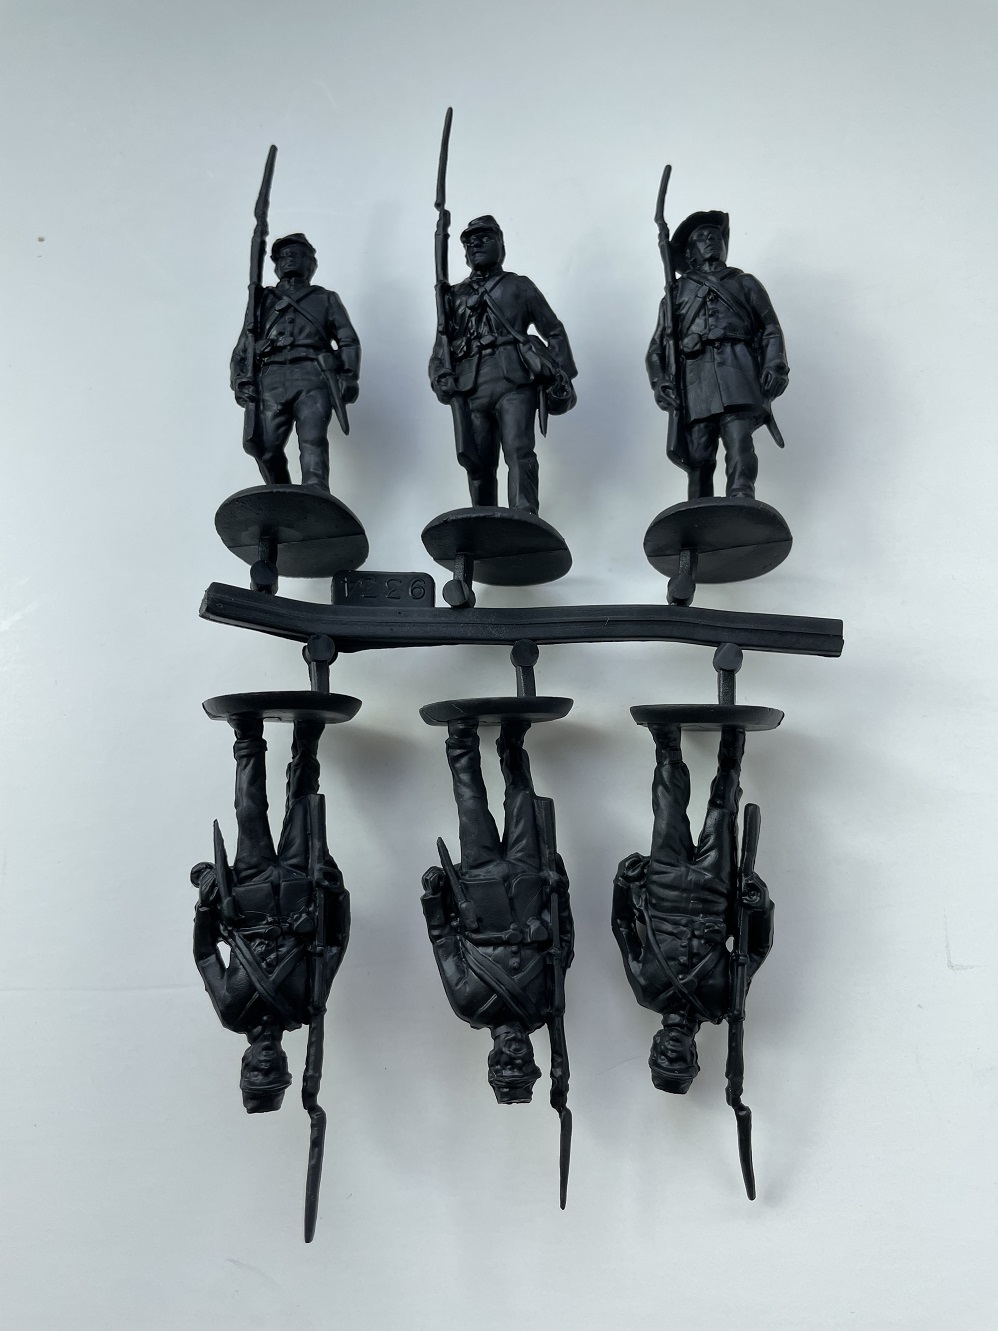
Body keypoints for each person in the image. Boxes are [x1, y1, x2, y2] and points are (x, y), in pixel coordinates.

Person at [192, 715, 349, 1112]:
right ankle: (306, 741)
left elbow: (206, 955)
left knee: (249, 811)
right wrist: (336, 892)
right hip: (299, 893)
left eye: (257, 1072)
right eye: (275, 1071)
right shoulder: (306, 1008)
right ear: (286, 1065)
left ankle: (247, 736)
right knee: (303, 806)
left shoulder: (232, 1011)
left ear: (244, 1065)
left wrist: (206, 906)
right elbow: (334, 944)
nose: (266, 1063)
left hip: (250, 897)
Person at [611, 725, 773, 1093]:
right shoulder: (722, 1002)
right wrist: (761, 905)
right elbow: (757, 949)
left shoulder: (646, 991)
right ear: (694, 1056)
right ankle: (732, 745)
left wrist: (622, 883)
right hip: (713, 893)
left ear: (653, 1049)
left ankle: (667, 744)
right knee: (722, 809)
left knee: (667, 809)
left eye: (662, 1059)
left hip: (664, 889)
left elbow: (622, 926)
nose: (671, 1053)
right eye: (679, 1061)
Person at [420, 717, 573, 1103]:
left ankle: (461, 740)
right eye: (522, 1066)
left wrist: (434, 899)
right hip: (528, 887)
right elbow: (564, 943)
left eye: (504, 1066)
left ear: (491, 1060)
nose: (513, 1059)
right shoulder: (547, 1006)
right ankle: (512, 743)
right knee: (522, 799)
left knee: (471, 805)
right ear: (535, 1061)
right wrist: (561, 886)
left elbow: (443, 941)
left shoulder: (470, 1006)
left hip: (481, 893)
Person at [429, 216, 577, 513]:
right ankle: (483, 518)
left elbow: (555, 331)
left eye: (484, 238)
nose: (475, 245)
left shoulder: (519, 286)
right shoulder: (454, 296)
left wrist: (559, 374)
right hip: (471, 385)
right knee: (477, 461)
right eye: (469, 242)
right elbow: (440, 348)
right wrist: (439, 375)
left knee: (519, 449)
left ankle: (524, 513)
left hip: (514, 380)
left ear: (501, 244)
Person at [646, 212, 789, 500]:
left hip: (738, 368)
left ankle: (741, 495)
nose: (710, 240)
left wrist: (775, 364)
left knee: (739, 440)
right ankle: (698, 506)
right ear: (689, 253)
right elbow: (657, 348)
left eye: (714, 236)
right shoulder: (675, 294)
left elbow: (770, 328)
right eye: (701, 238)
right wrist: (660, 380)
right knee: (699, 453)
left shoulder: (745, 282)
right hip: (696, 378)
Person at [230, 233, 361, 491]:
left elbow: (348, 340)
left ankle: (316, 492)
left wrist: (348, 375)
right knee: (261, 445)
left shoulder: (325, 298)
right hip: (270, 376)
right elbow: (243, 347)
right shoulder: (261, 300)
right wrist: (239, 378)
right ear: (276, 264)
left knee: (313, 439)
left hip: (313, 374)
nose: (289, 259)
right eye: (283, 255)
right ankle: (282, 494)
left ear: (311, 263)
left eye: (297, 254)